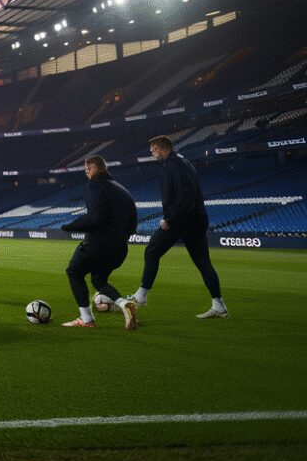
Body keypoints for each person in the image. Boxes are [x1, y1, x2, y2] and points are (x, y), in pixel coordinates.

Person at [128, 136, 228, 319]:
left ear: (161, 148)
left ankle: (141, 296)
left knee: (152, 250)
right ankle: (219, 305)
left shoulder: (175, 164)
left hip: (183, 220)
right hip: (194, 219)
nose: (151, 153)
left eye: (153, 149)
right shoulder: (180, 162)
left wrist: (170, 219)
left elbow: (186, 195)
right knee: (202, 262)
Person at [59, 156, 139, 330]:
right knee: (99, 280)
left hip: (98, 244)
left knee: (74, 272)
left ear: (94, 167)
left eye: (87, 169)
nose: (86, 172)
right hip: (120, 248)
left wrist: (69, 226)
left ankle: (87, 319)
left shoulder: (94, 186)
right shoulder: (122, 190)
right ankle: (124, 303)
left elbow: (95, 217)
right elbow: (133, 224)